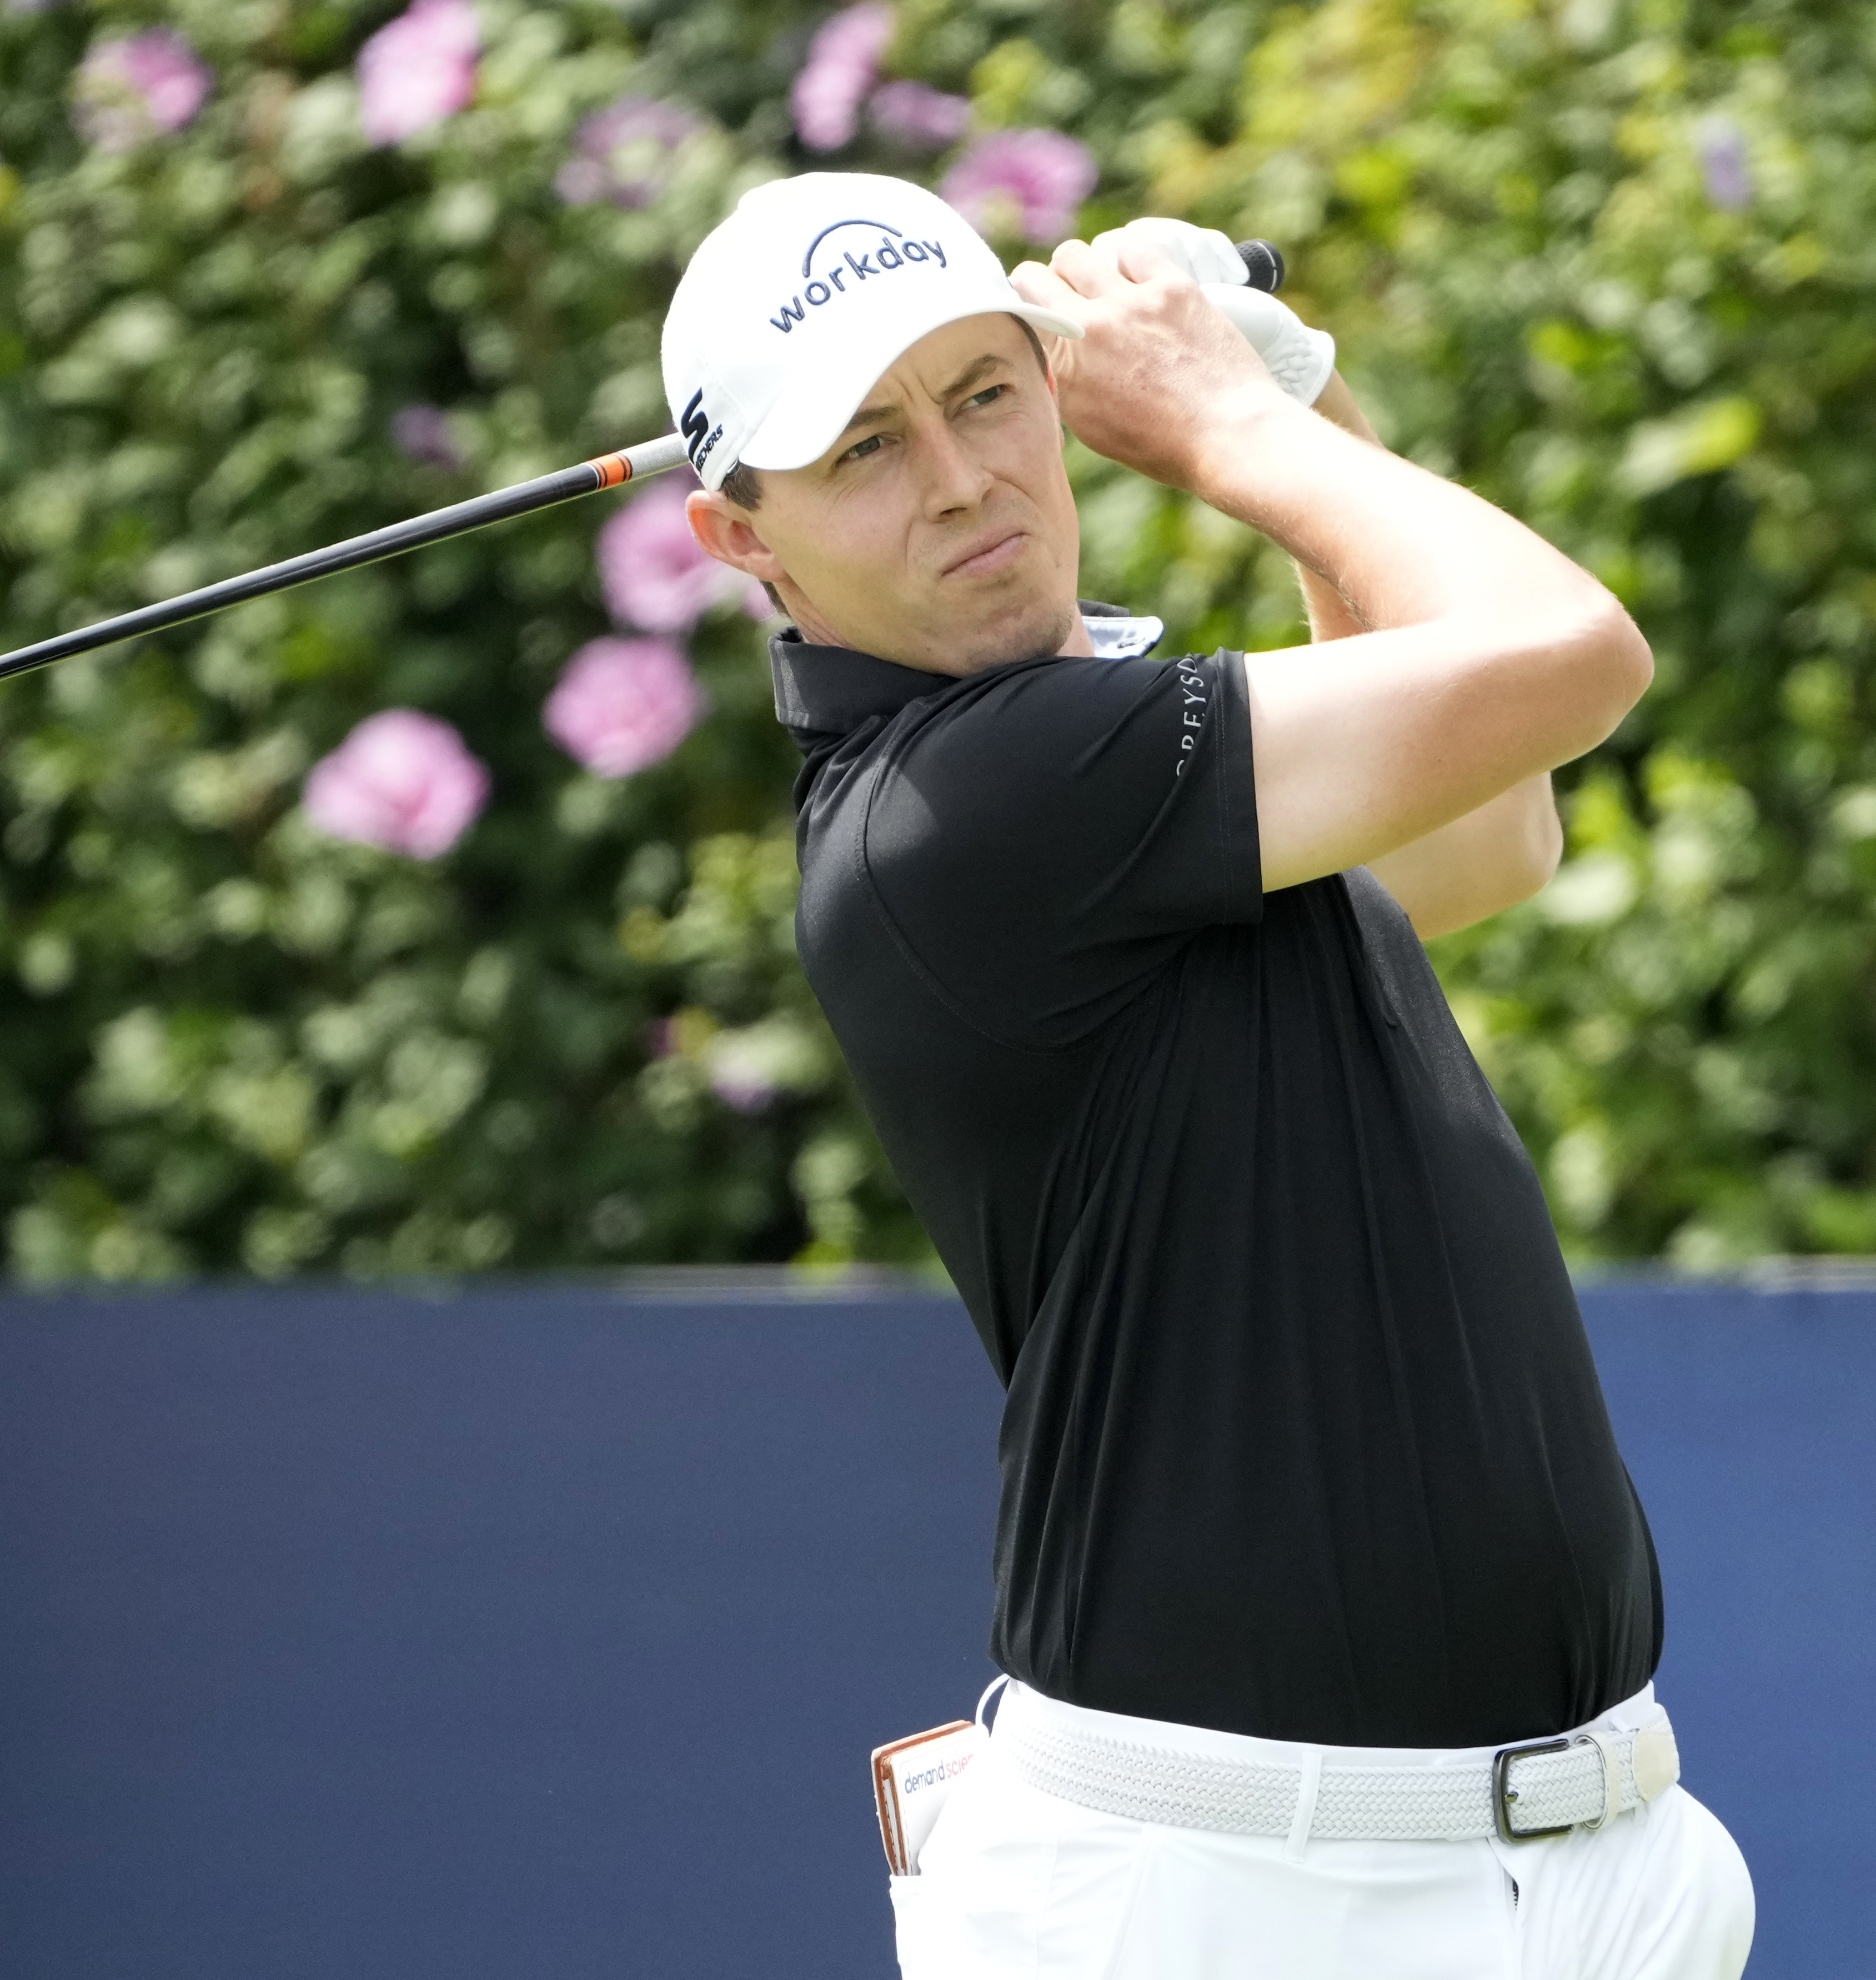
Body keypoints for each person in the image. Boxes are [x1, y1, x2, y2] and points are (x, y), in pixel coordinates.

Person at [666, 172, 1754, 1980]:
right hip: (1231, 1898)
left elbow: (1487, 836)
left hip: (1570, 1868)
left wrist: (1302, 396)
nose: (961, 479)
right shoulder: (966, 803)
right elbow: (1574, 654)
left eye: (986, 393)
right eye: (864, 447)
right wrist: (1236, 427)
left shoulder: (1107, 779)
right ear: (740, 538)